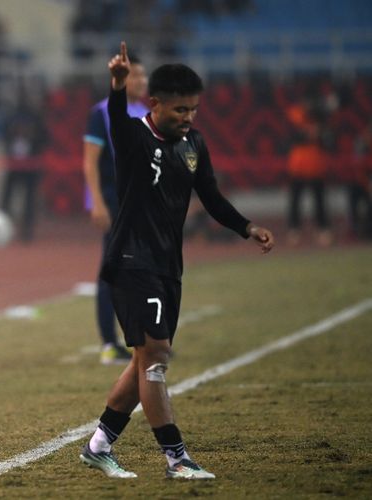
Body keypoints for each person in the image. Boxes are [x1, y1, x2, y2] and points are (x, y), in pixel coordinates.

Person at [79, 42, 274, 480]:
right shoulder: (132, 137)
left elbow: (211, 196)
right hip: (132, 260)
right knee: (155, 358)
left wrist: (246, 227)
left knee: (142, 361)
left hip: (168, 266)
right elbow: (114, 117)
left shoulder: (194, 145)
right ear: (155, 104)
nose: (188, 117)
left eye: (194, 110)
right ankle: (176, 458)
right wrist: (116, 85)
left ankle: (99, 445)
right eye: (180, 109)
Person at [82, 54, 148, 365]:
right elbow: (90, 160)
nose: (142, 82)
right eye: (136, 76)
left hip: (140, 203)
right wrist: (96, 201)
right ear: (119, 78)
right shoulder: (102, 113)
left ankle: (142, 339)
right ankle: (109, 343)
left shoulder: (147, 112)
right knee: (111, 271)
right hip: (113, 200)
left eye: (144, 77)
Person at [0, 91, 48, 242]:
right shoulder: (11, 117)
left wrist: (35, 143)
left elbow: (45, 138)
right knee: (7, 198)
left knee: (29, 200)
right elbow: (3, 134)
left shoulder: (37, 118)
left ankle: (27, 232)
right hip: (14, 164)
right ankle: (2, 229)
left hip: (31, 165)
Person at [286, 122, 332, 246]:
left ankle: (323, 230)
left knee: (319, 202)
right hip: (298, 168)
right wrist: (306, 133)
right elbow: (289, 138)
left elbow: (329, 143)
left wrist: (319, 133)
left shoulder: (322, 121)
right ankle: (294, 231)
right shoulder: (296, 116)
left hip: (316, 168)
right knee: (295, 202)